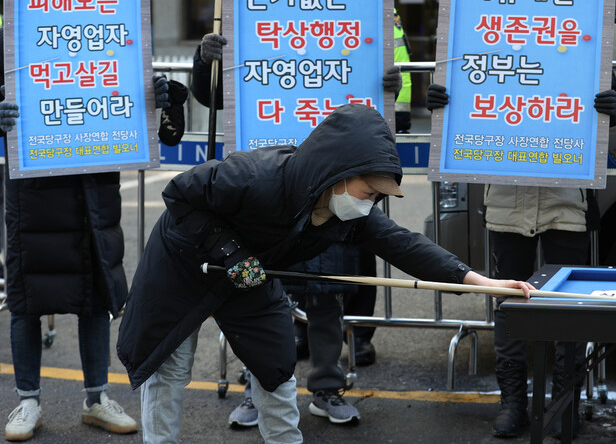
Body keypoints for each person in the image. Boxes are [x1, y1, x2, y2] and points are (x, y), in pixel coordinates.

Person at [116, 102, 534, 444]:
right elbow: (179, 194)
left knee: (276, 369)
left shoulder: (345, 213)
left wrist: (483, 282)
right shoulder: (257, 176)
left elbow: (405, 245)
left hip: (251, 274)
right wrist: (230, 250)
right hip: (185, 262)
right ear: (338, 174)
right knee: (169, 367)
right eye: (369, 192)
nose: (371, 204)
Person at [191, 0, 404, 428]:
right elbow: (214, 99)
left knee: (328, 291)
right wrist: (207, 63)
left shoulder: (364, 7)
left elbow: (390, 121)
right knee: (262, 293)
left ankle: (327, 387)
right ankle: (258, 387)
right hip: (268, 186)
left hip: (334, 185)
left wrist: (392, 89)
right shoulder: (253, 6)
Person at [0, 0, 182, 442]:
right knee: (27, 298)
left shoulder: (114, 27)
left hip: (93, 184)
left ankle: (98, 397)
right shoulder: (9, 31)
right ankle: (27, 403)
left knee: (95, 292)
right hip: (32, 187)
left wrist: (159, 99)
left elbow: (163, 127)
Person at [426, 76, 616, 439]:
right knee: (508, 309)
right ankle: (513, 404)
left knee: (569, 309)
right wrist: (442, 108)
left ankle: (565, 404)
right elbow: (462, 124)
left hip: (566, 204)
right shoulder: (487, 53)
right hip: (506, 205)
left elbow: (611, 144)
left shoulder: (590, 47)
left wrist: (612, 117)